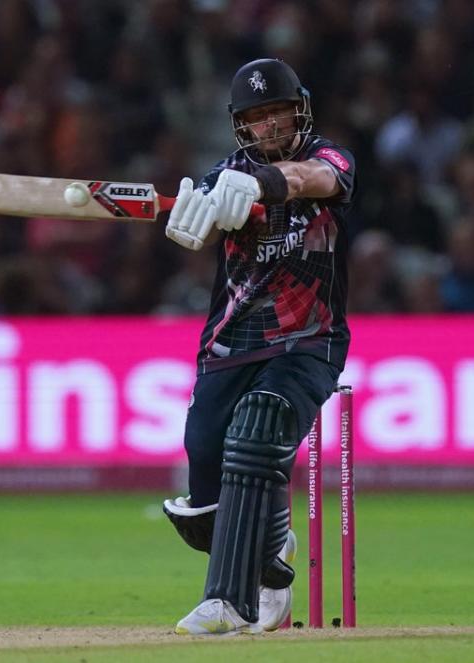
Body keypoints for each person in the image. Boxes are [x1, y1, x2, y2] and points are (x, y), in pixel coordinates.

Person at [161, 58, 356, 635]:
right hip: (229, 344)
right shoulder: (224, 172)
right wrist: (201, 210)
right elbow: (208, 215)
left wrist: (266, 184)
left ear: (300, 109)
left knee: (260, 426)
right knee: (203, 496)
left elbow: (311, 180)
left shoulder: (332, 158)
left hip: (309, 339)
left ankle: (229, 602)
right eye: (255, 117)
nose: (269, 126)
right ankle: (273, 559)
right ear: (239, 124)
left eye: (277, 112)